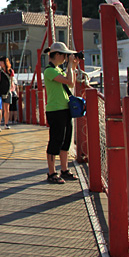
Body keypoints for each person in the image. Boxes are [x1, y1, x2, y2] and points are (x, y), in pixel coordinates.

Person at [42, 42, 78, 184]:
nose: (65, 58)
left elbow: (71, 83)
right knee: (55, 141)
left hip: (64, 109)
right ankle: (51, 173)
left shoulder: (58, 69)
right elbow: (69, 81)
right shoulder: (50, 71)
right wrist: (70, 66)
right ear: (57, 54)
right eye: (64, 55)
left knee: (65, 142)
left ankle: (64, 169)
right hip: (55, 110)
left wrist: (72, 67)